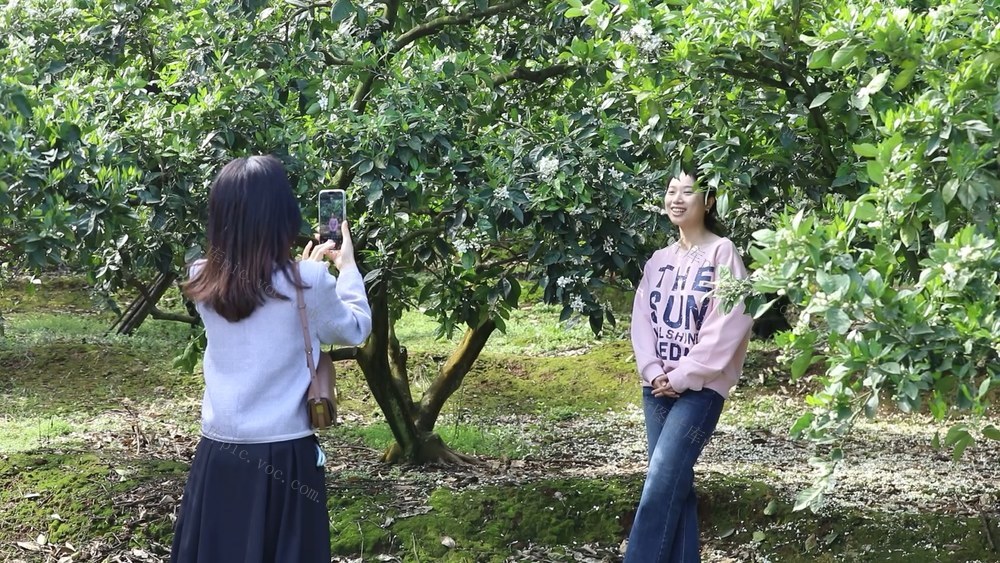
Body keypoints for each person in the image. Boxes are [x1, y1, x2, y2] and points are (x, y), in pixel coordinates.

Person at [171, 155, 372, 563]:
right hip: (286, 455)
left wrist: (304, 276)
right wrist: (345, 267)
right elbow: (354, 329)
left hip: (219, 452)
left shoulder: (200, 277)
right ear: (284, 215)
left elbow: (256, 293)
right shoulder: (309, 281)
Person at [625, 169, 753, 562]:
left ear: (709, 201)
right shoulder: (658, 261)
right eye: (671, 191)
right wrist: (653, 372)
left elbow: (729, 323)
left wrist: (682, 376)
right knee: (673, 484)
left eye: (688, 192)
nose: (676, 199)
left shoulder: (722, 252)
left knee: (661, 480)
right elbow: (641, 320)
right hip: (657, 387)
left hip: (701, 389)